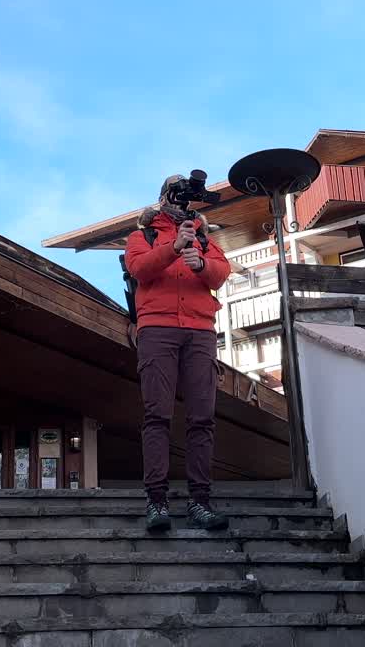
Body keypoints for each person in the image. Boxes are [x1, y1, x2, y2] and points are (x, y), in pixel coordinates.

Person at [124, 175, 232, 532]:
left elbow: (221, 273)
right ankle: (157, 502)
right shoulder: (143, 236)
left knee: (202, 416)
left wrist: (201, 264)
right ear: (163, 196)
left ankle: (200, 501)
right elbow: (138, 268)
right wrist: (173, 248)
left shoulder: (203, 237)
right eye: (177, 189)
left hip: (200, 330)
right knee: (157, 414)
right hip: (157, 328)